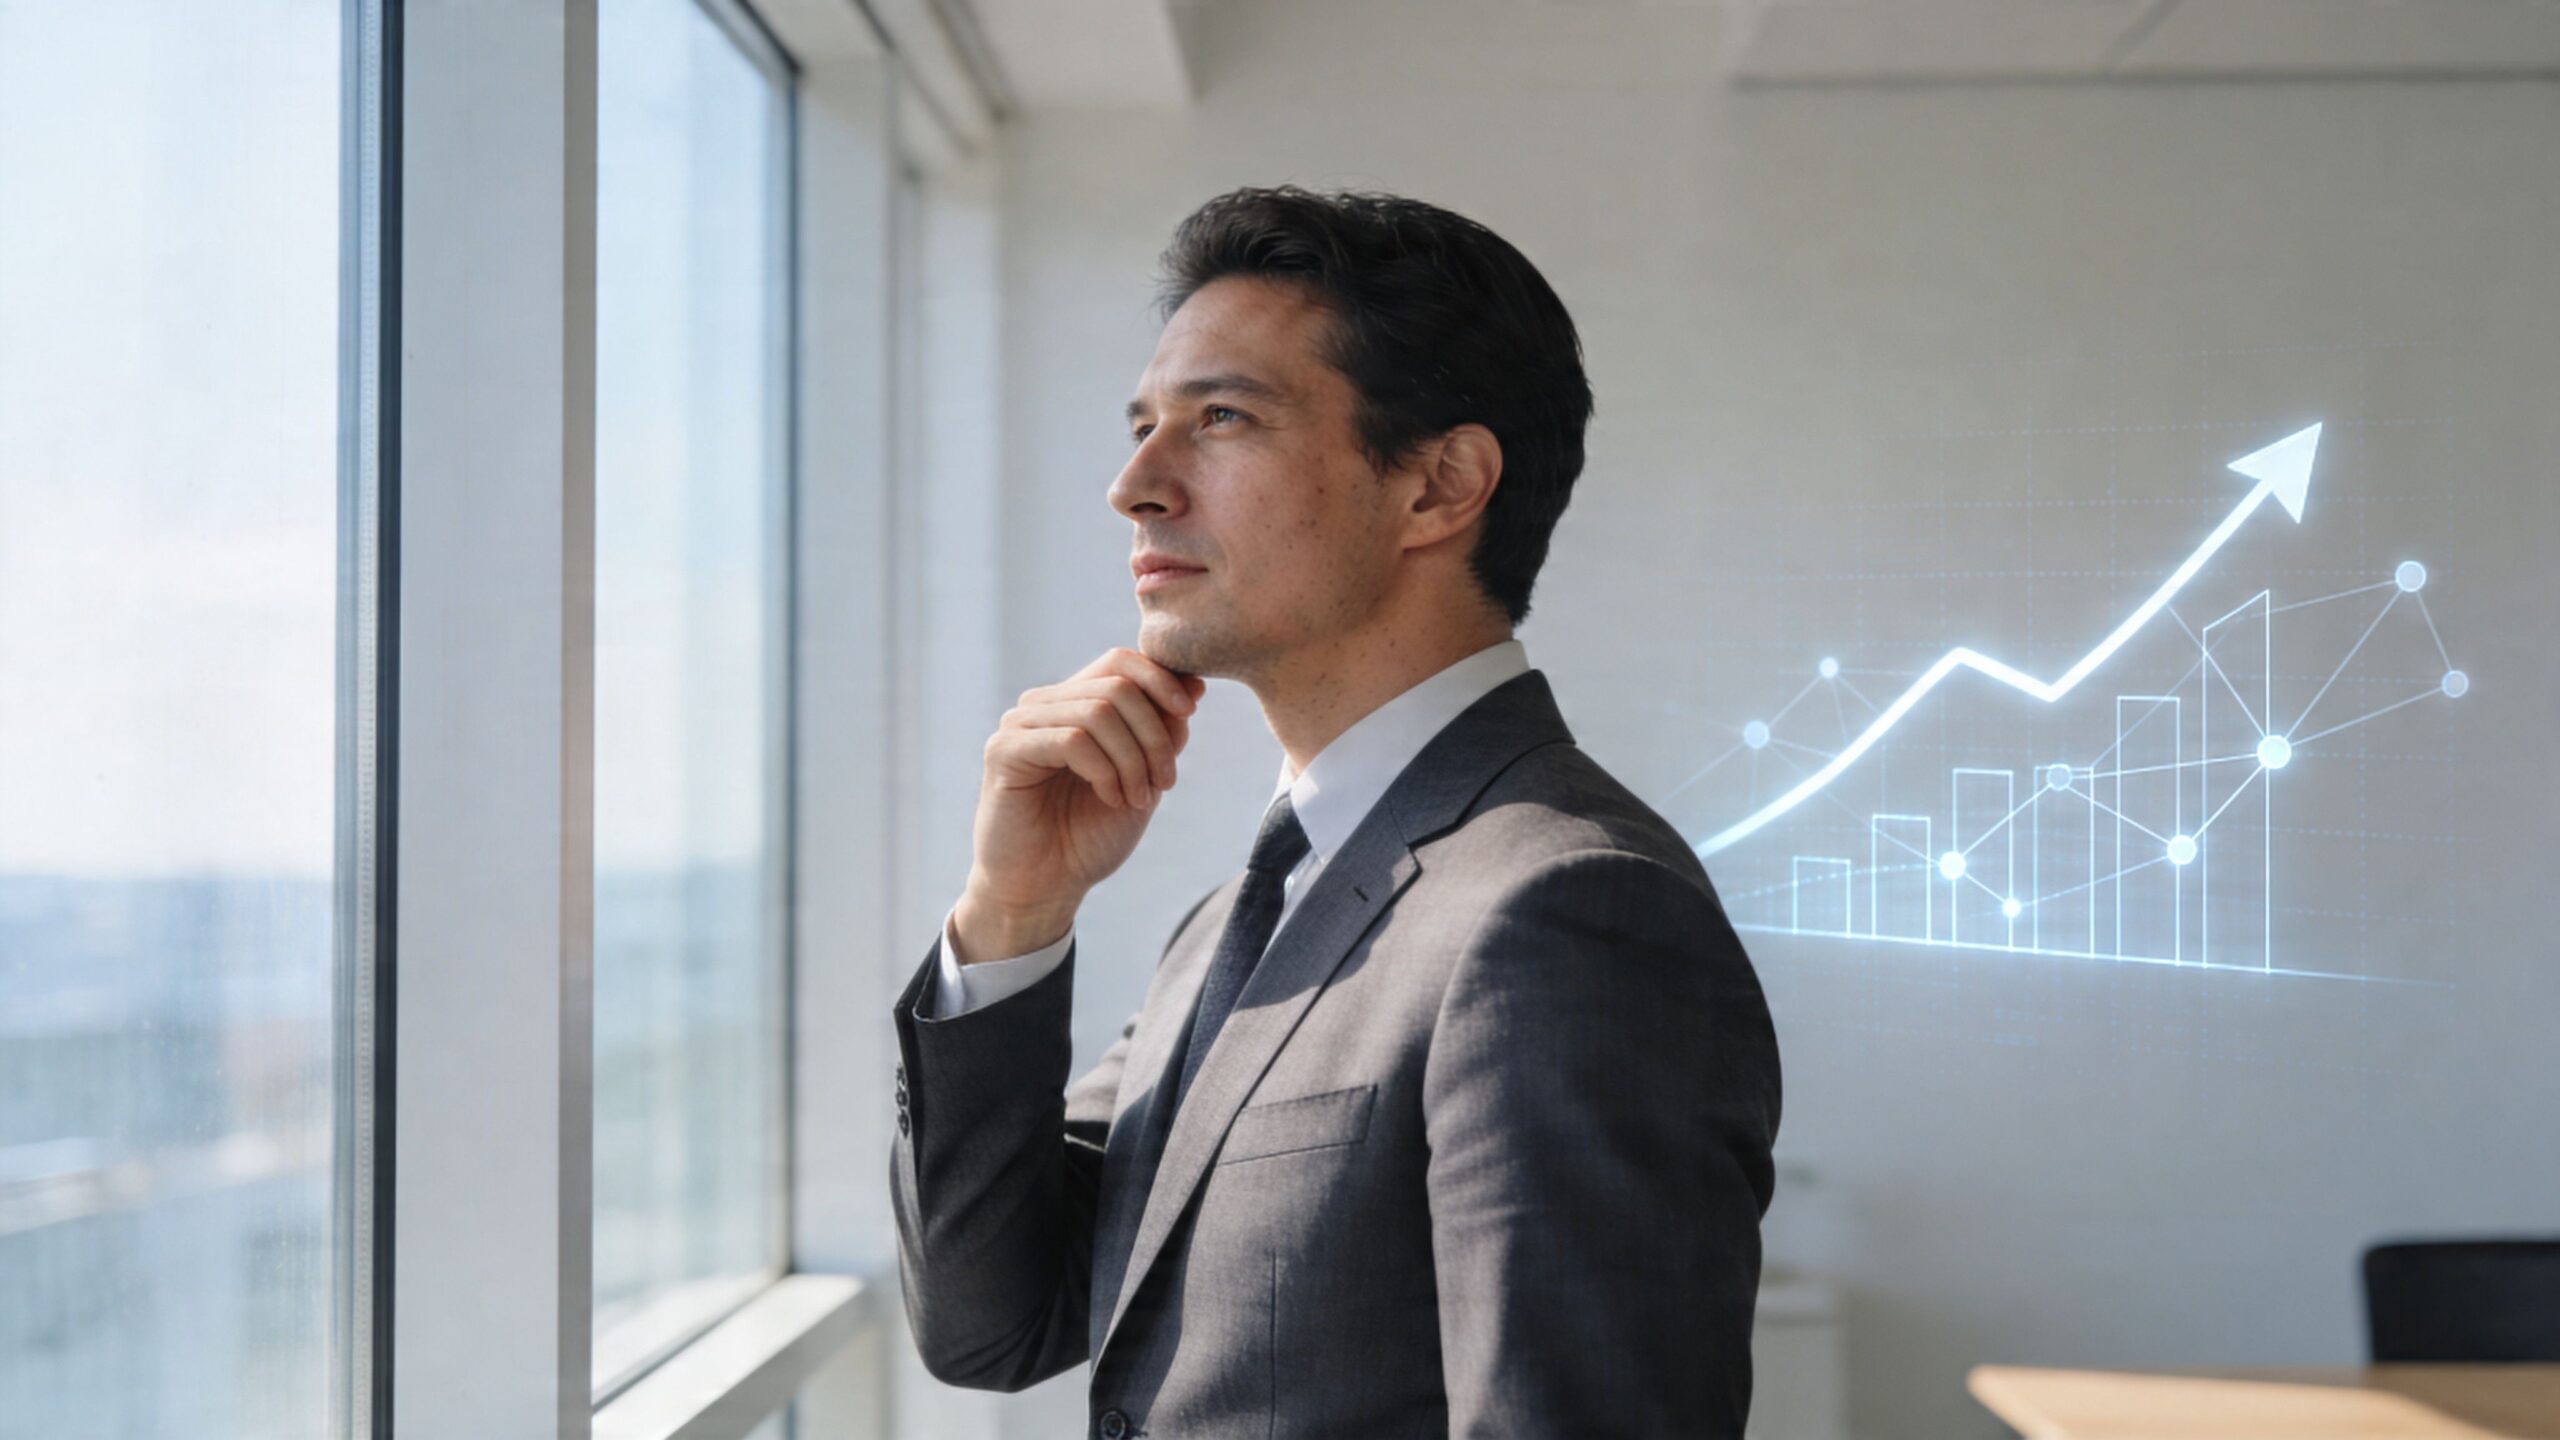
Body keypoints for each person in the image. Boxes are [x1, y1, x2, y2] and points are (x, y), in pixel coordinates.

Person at [888, 185, 1782, 1438]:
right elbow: (993, 1324)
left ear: (1439, 487)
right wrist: (1014, 915)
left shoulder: (1566, 910)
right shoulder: (1235, 923)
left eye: (1220, 419)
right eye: (1144, 425)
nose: (1134, 485)